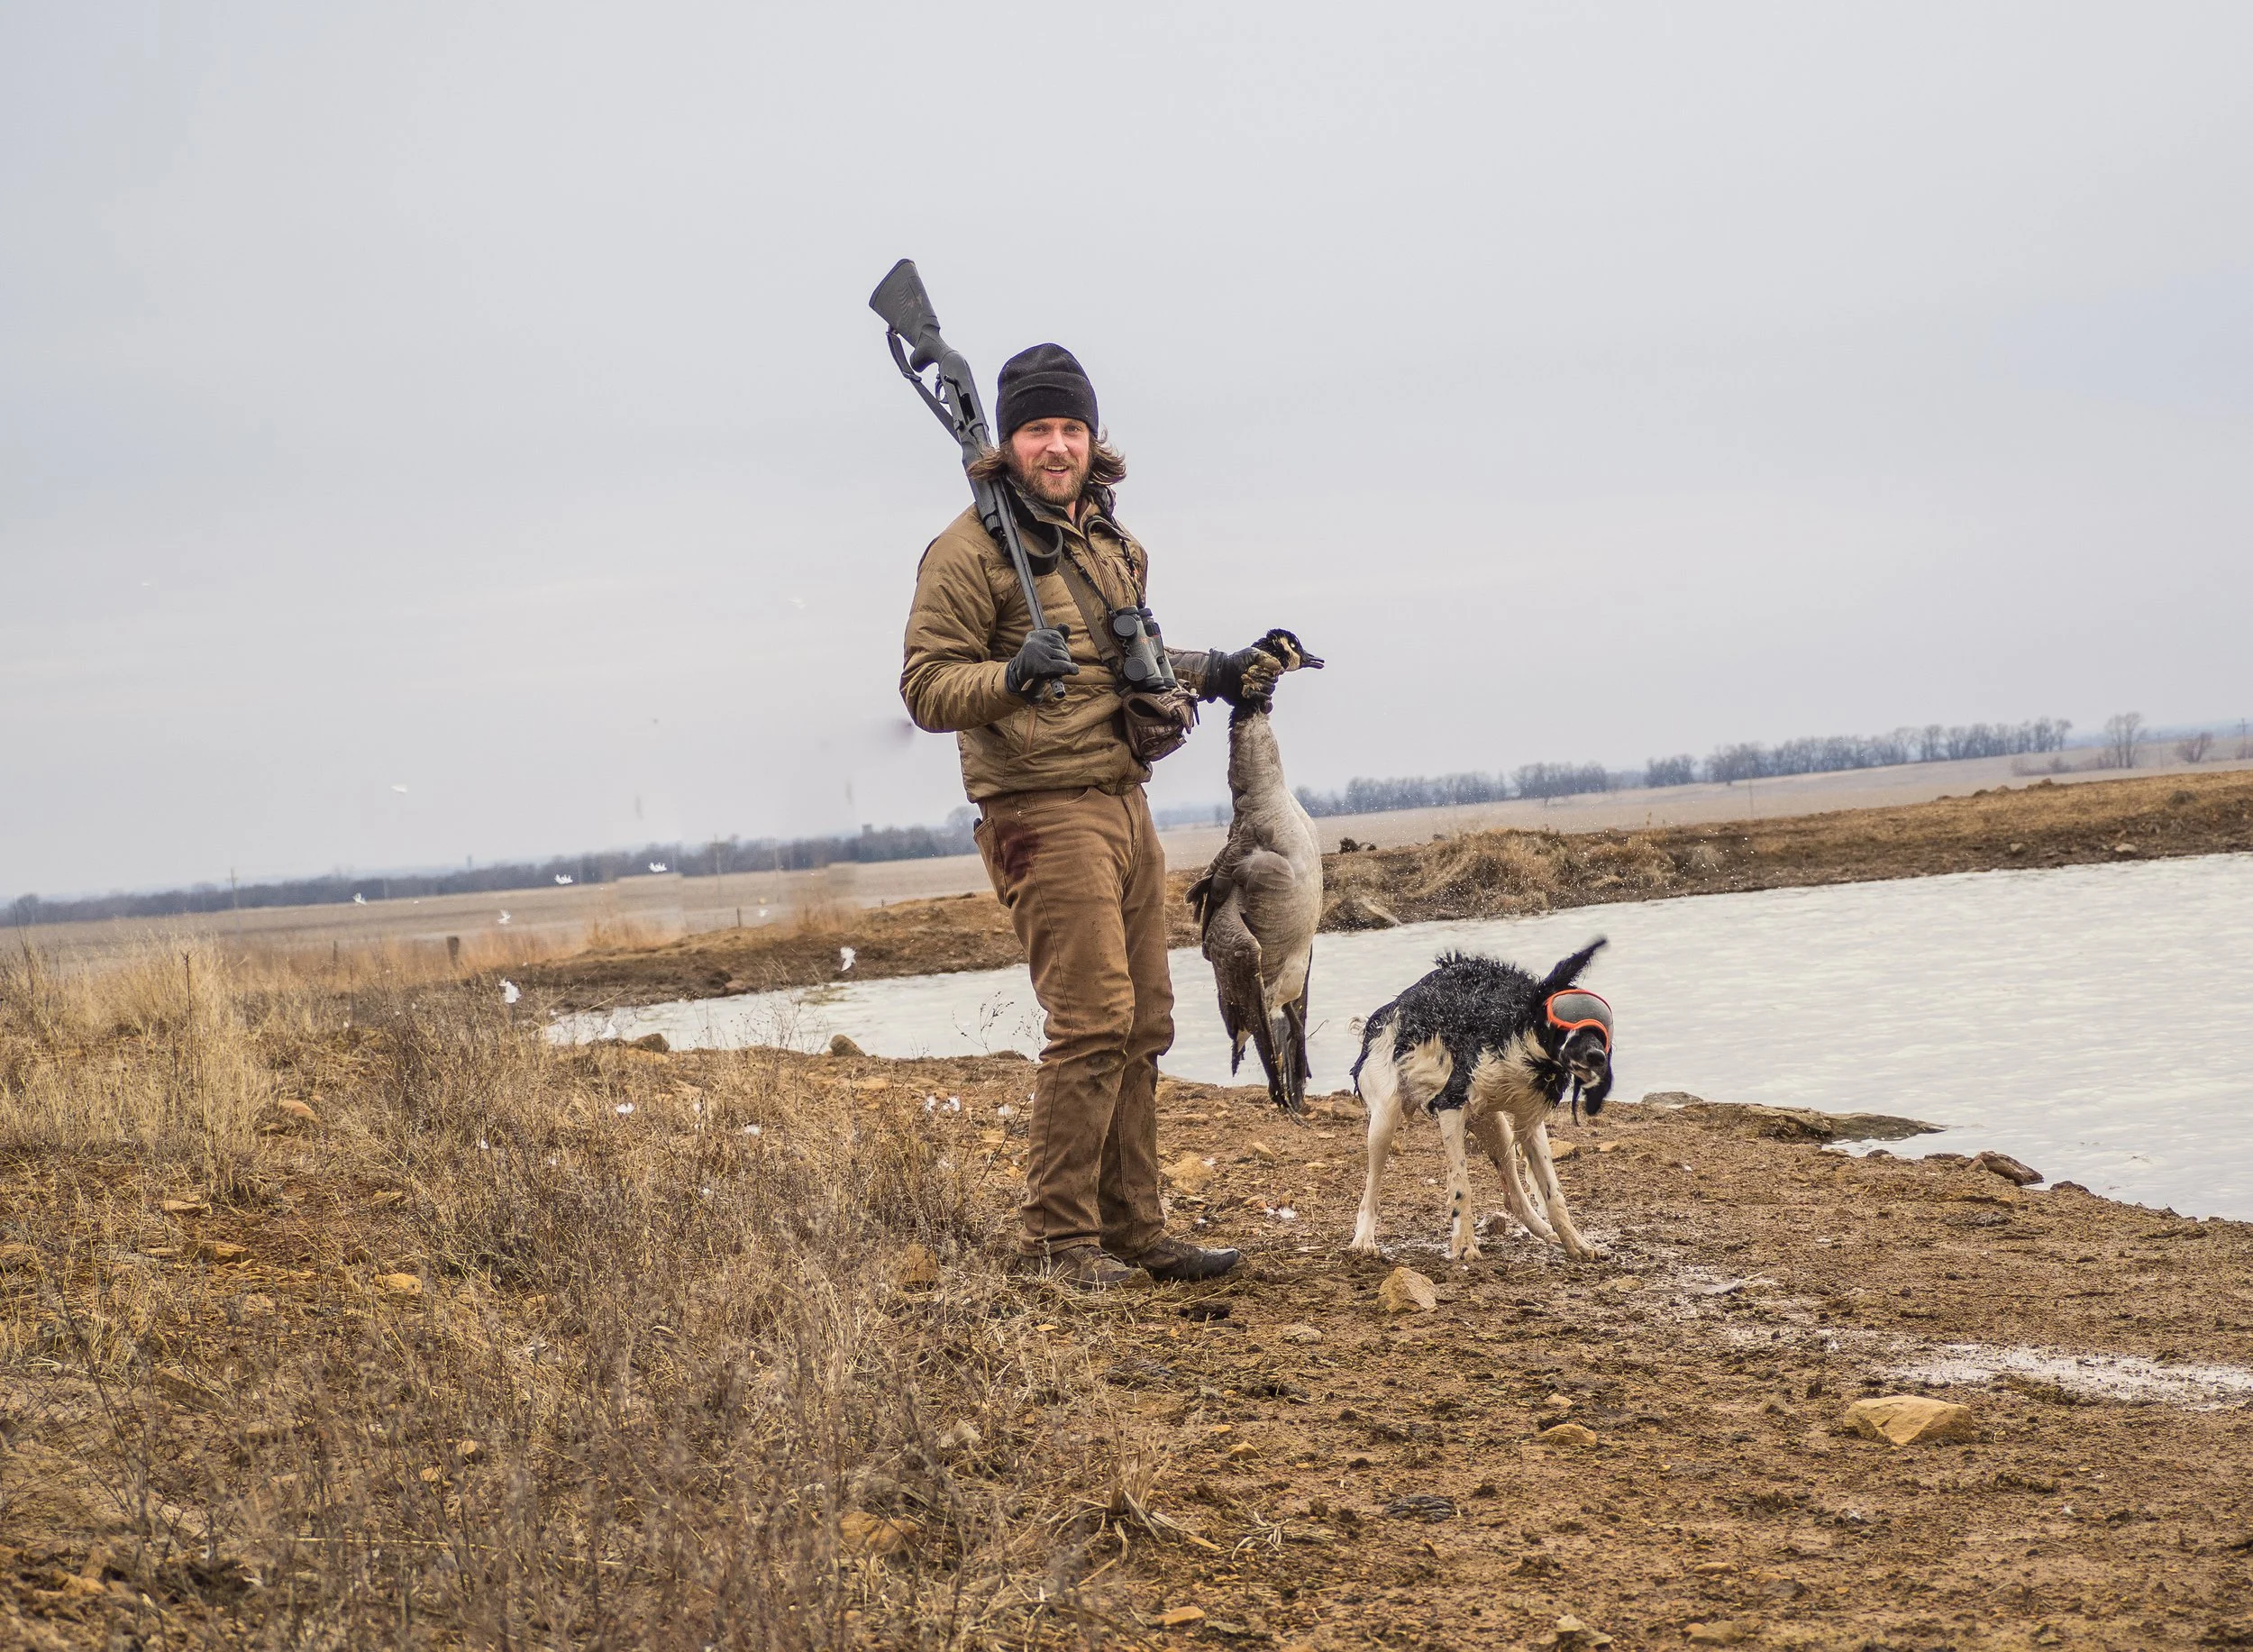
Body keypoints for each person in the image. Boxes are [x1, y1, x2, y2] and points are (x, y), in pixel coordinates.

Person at [900, 342, 1300, 1288]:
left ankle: (1132, 1231)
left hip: (1124, 802)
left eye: (1070, 428)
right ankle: (1054, 1243)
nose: (1056, 444)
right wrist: (1009, 675)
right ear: (1008, 440)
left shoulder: (1110, 542)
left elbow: (1135, 660)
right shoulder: (966, 552)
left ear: (1091, 438)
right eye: (1038, 429)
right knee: (1090, 1021)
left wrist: (1220, 668)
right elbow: (923, 687)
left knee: (1146, 1021)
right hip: (1040, 811)